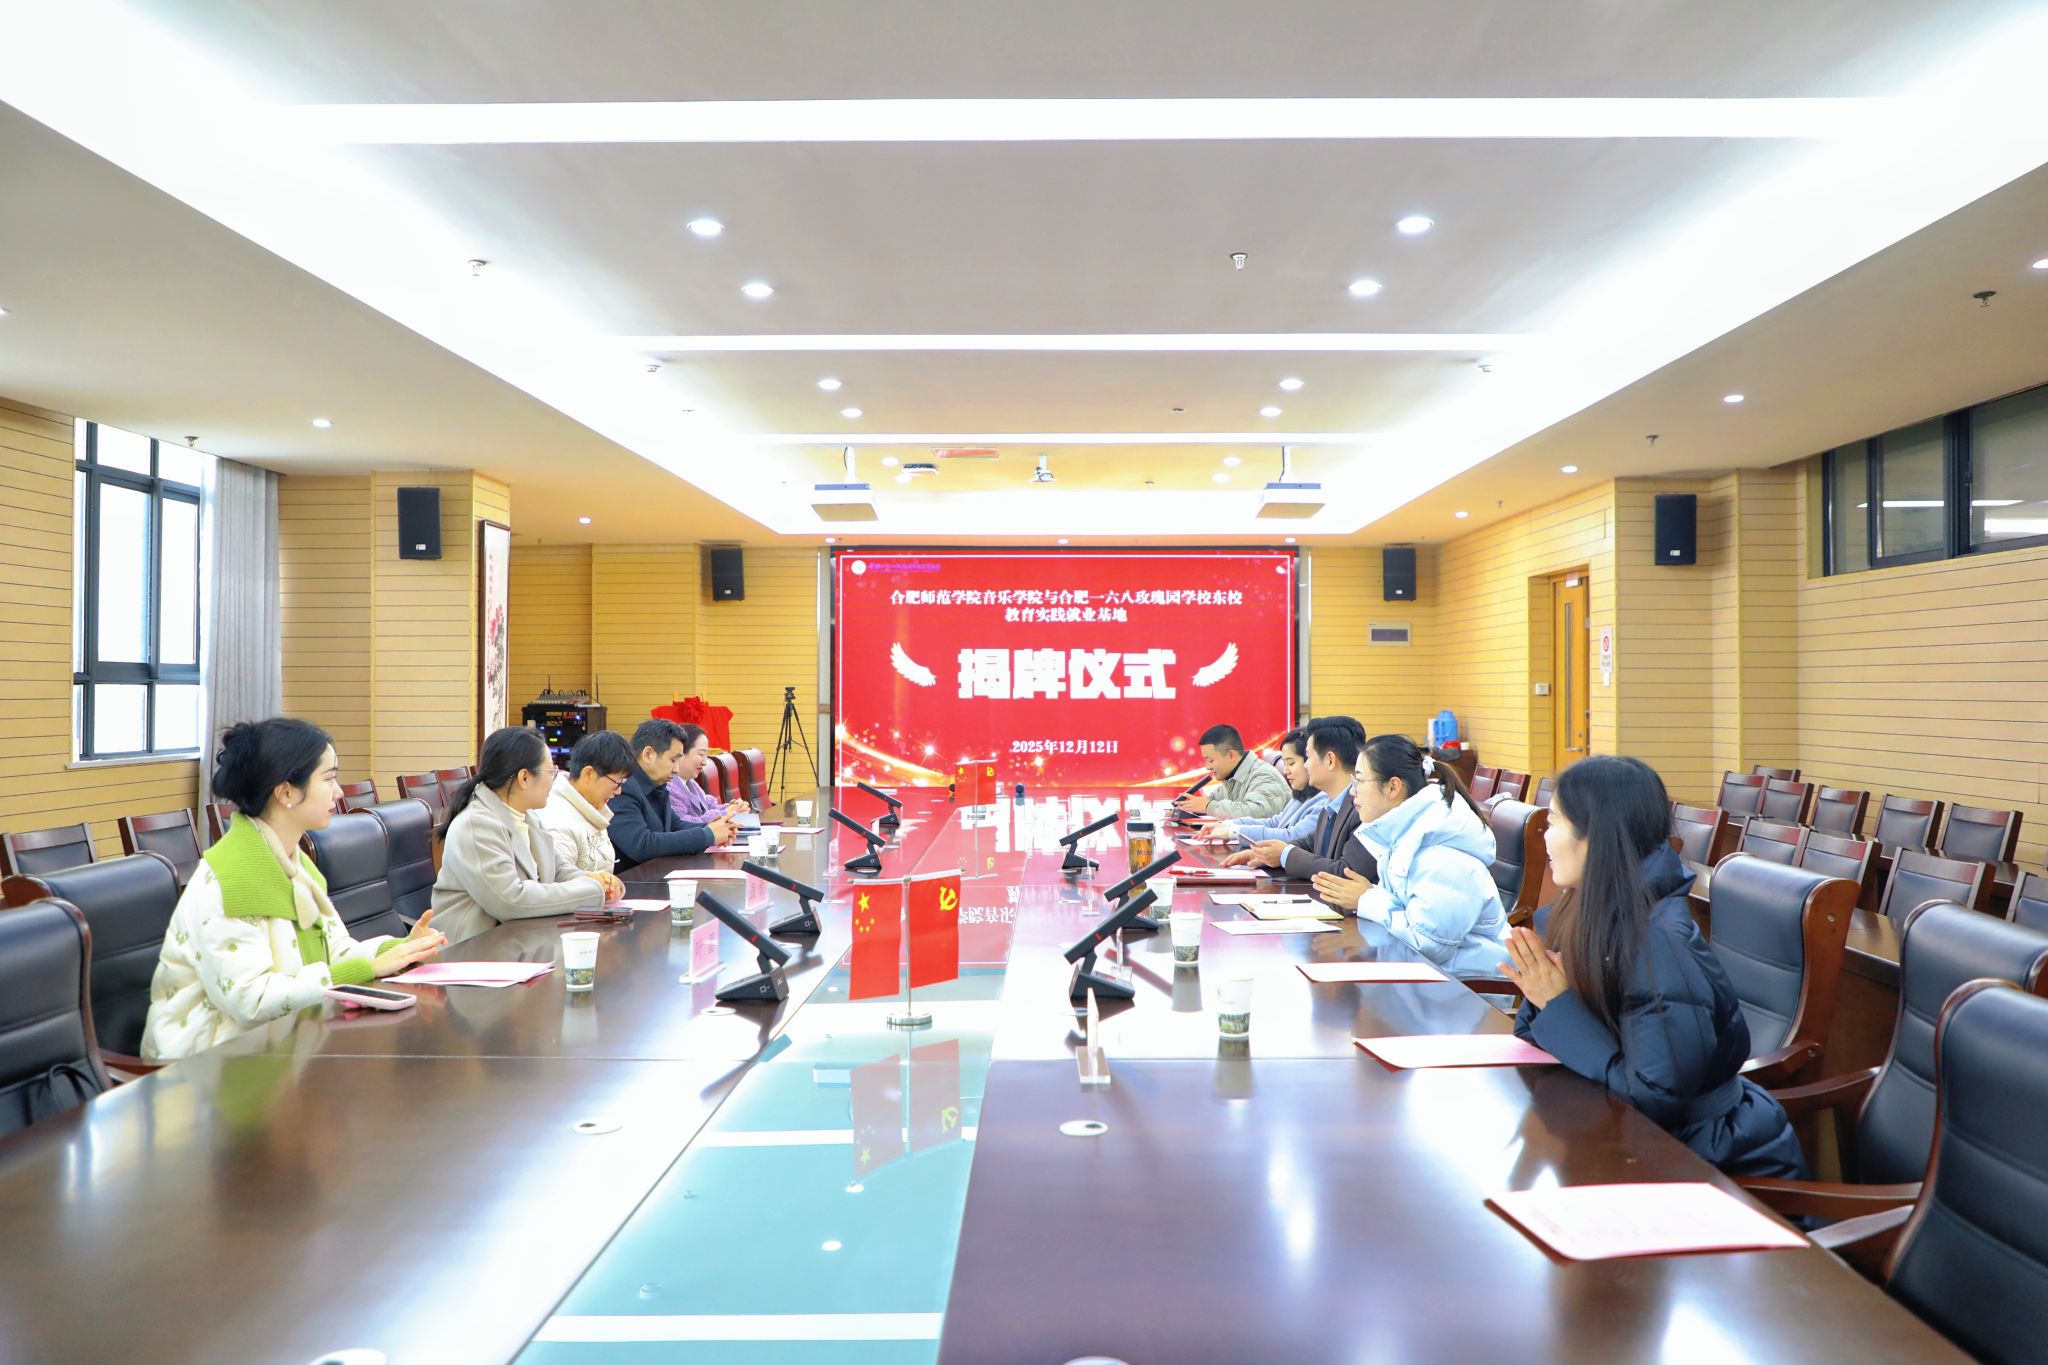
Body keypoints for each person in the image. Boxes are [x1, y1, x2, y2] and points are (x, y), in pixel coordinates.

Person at [1502, 755, 1806, 1179]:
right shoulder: (1579, 910)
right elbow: (1535, 1035)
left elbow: (1655, 1098)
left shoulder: (1658, 944)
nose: (1544, 837)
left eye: (1553, 822)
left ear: (1594, 837)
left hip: (1715, 1164)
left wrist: (1559, 1003)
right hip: (1630, 1138)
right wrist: (1553, 1002)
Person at [142, 718, 448, 1061]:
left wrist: (400, 948)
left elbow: (337, 951)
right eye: (328, 779)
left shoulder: (293, 863)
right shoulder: (232, 879)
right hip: (210, 1062)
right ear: (286, 791)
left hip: (284, 1043)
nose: (339, 792)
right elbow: (252, 1001)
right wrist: (367, 969)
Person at [1309, 734, 1508, 973]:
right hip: (1421, 978)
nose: (1353, 792)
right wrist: (1368, 895)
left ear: (1393, 787)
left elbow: (1429, 945)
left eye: (1359, 780)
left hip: (1465, 987)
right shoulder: (1405, 834)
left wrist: (1366, 899)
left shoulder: (1442, 855)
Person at [431, 726, 619, 944]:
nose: (554, 780)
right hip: (474, 949)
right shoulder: (476, 826)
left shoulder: (527, 816)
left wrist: (600, 881)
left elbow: (558, 870)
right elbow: (510, 901)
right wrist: (592, 891)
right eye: (551, 772)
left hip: (520, 941)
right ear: (524, 778)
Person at [1225, 717, 1376, 882]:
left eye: (1308, 757)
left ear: (1330, 760)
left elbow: (1346, 872)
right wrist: (1266, 854)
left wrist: (1285, 855)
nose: (1306, 765)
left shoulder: (1363, 807)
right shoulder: (1331, 804)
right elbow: (1310, 844)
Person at [608, 718, 738, 871]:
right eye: (673, 760)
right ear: (648, 754)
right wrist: (707, 835)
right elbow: (642, 845)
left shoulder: (657, 784)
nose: (676, 769)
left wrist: (716, 828)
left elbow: (676, 826)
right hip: (633, 881)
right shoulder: (623, 788)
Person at [536, 729, 634, 878]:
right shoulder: (557, 820)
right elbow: (559, 883)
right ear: (589, 774)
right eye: (617, 782)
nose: (619, 791)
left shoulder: (590, 806)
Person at [1214, 728, 1327, 844]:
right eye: (1284, 763)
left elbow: (1292, 837)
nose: (1285, 771)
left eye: (1291, 763)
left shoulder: (1324, 803)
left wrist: (1235, 832)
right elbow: (1276, 822)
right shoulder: (1302, 794)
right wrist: (1229, 825)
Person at [1171, 723, 1290, 821]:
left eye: (1211, 760)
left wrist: (1207, 806)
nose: (1207, 767)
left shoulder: (1264, 776)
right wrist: (1187, 807)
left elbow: (1256, 814)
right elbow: (1212, 800)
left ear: (1231, 755)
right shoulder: (1232, 777)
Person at [667, 723, 751, 825]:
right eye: (701, 754)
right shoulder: (668, 788)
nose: (705, 762)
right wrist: (726, 812)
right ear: (680, 753)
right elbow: (684, 824)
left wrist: (734, 808)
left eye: (706, 755)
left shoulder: (689, 782)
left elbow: (707, 807)